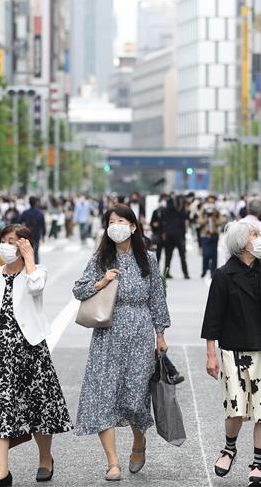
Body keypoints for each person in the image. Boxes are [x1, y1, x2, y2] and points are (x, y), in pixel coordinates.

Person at [73, 205, 170, 481]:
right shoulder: (101, 258)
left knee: (135, 396)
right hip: (108, 331)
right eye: (111, 222)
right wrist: (102, 281)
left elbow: (156, 297)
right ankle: (112, 462)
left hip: (140, 331)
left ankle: (139, 443)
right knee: (104, 395)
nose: (116, 226)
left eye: (121, 221)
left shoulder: (148, 259)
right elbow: (78, 289)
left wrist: (160, 334)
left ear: (133, 227)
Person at [0, 223, 73, 486]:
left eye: (14, 241)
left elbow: (36, 288)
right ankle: (2, 473)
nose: (7, 246)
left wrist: (30, 258)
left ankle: (45, 458)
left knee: (39, 406)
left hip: (31, 348)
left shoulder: (37, 271)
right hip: (0, 350)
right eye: (5, 240)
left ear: (25, 245)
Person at [202, 220, 261, 487]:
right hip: (233, 349)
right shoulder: (223, 275)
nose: (259, 237)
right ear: (242, 242)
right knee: (235, 408)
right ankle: (229, 448)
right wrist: (211, 355)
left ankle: (257, 465)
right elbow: (212, 318)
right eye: (254, 234)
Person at [160, 195, 189, 280]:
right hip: (178, 235)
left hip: (169, 235)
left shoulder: (164, 211)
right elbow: (184, 220)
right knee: (182, 256)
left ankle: (166, 273)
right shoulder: (178, 211)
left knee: (168, 256)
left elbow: (162, 223)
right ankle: (185, 273)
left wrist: (164, 233)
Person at [197, 198, 222, 278]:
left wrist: (215, 219)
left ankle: (213, 271)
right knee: (206, 254)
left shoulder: (216, 211)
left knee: (214, 254)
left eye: (212, 202)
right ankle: (204, 270)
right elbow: (199, 220)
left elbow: (222, 220)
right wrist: (206, 220)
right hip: (205, 234)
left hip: (214, 234)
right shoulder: (203, 210)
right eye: (209, 201)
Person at [19, 196, 47, 264]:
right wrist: (43, 234)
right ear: (36, 203)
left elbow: (19, 222)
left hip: (27, 233)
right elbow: (43, 225)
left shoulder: (25, 212)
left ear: (29, 202)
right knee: (36, 251)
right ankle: (36, 265)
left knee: (27, 250)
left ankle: (28, 264)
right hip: (37, 233)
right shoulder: (40, 213)